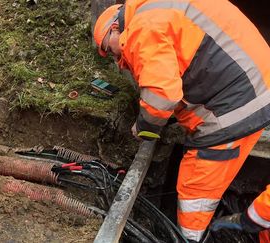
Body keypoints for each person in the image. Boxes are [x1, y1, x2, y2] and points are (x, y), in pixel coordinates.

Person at [93, 1, 270, 242]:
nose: (116, 58)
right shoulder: (157, 10)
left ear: (115, 28)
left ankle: (187, 238)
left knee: (195, 194)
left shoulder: (142, 27)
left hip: (235, 110)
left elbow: (162, 95)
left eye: (109, 49)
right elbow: (185, 64)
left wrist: (145, 126)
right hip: (252, 93)